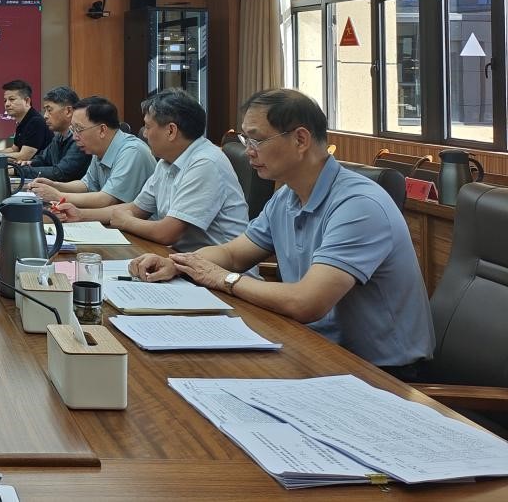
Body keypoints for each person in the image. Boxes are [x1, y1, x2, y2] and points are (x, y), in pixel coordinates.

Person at [130, 89, 434, 374]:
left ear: (300, 140)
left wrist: (223, 278)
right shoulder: (287, 197)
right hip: (311, 347)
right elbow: (233, 253)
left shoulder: (359, 205)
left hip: (380, 372)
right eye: (246, 140)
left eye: (256, 140)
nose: (248, 151)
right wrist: (180, 264)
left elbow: (307, 302)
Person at [57, 89, 248, 252]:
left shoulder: (205, 162)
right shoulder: (166, 162)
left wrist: (126, 222)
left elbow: (167, 233)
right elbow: (136, 209)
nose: (145, 134)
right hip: (179, 261)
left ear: (171, 131)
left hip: (218, 273)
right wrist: (80, 215)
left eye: (148, 127)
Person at [30, 96, 155, 213]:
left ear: (102, 130)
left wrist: (58, 195)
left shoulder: (132, 151)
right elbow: (87, 184)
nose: (74, 137)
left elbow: (107, 199)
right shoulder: (99, 148)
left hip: (140, 226)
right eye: (73, 129)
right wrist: (55, 185)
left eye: (79, 129)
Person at [15, 86, 89, 182]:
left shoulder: (80, 139)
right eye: (45, 110)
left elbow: (60, 173)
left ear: (68, 111)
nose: (45, 116)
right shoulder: (58, 137)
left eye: (49, 110)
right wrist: (28, 164)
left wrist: (18, 170)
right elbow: (42, 160)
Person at [0, 79, 53, 161]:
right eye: (5, 100)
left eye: (12, 99)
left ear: (27, 101)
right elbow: (14, 149)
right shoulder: (22, 122)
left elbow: (24, 156)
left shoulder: (36, 121)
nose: (7, 104)